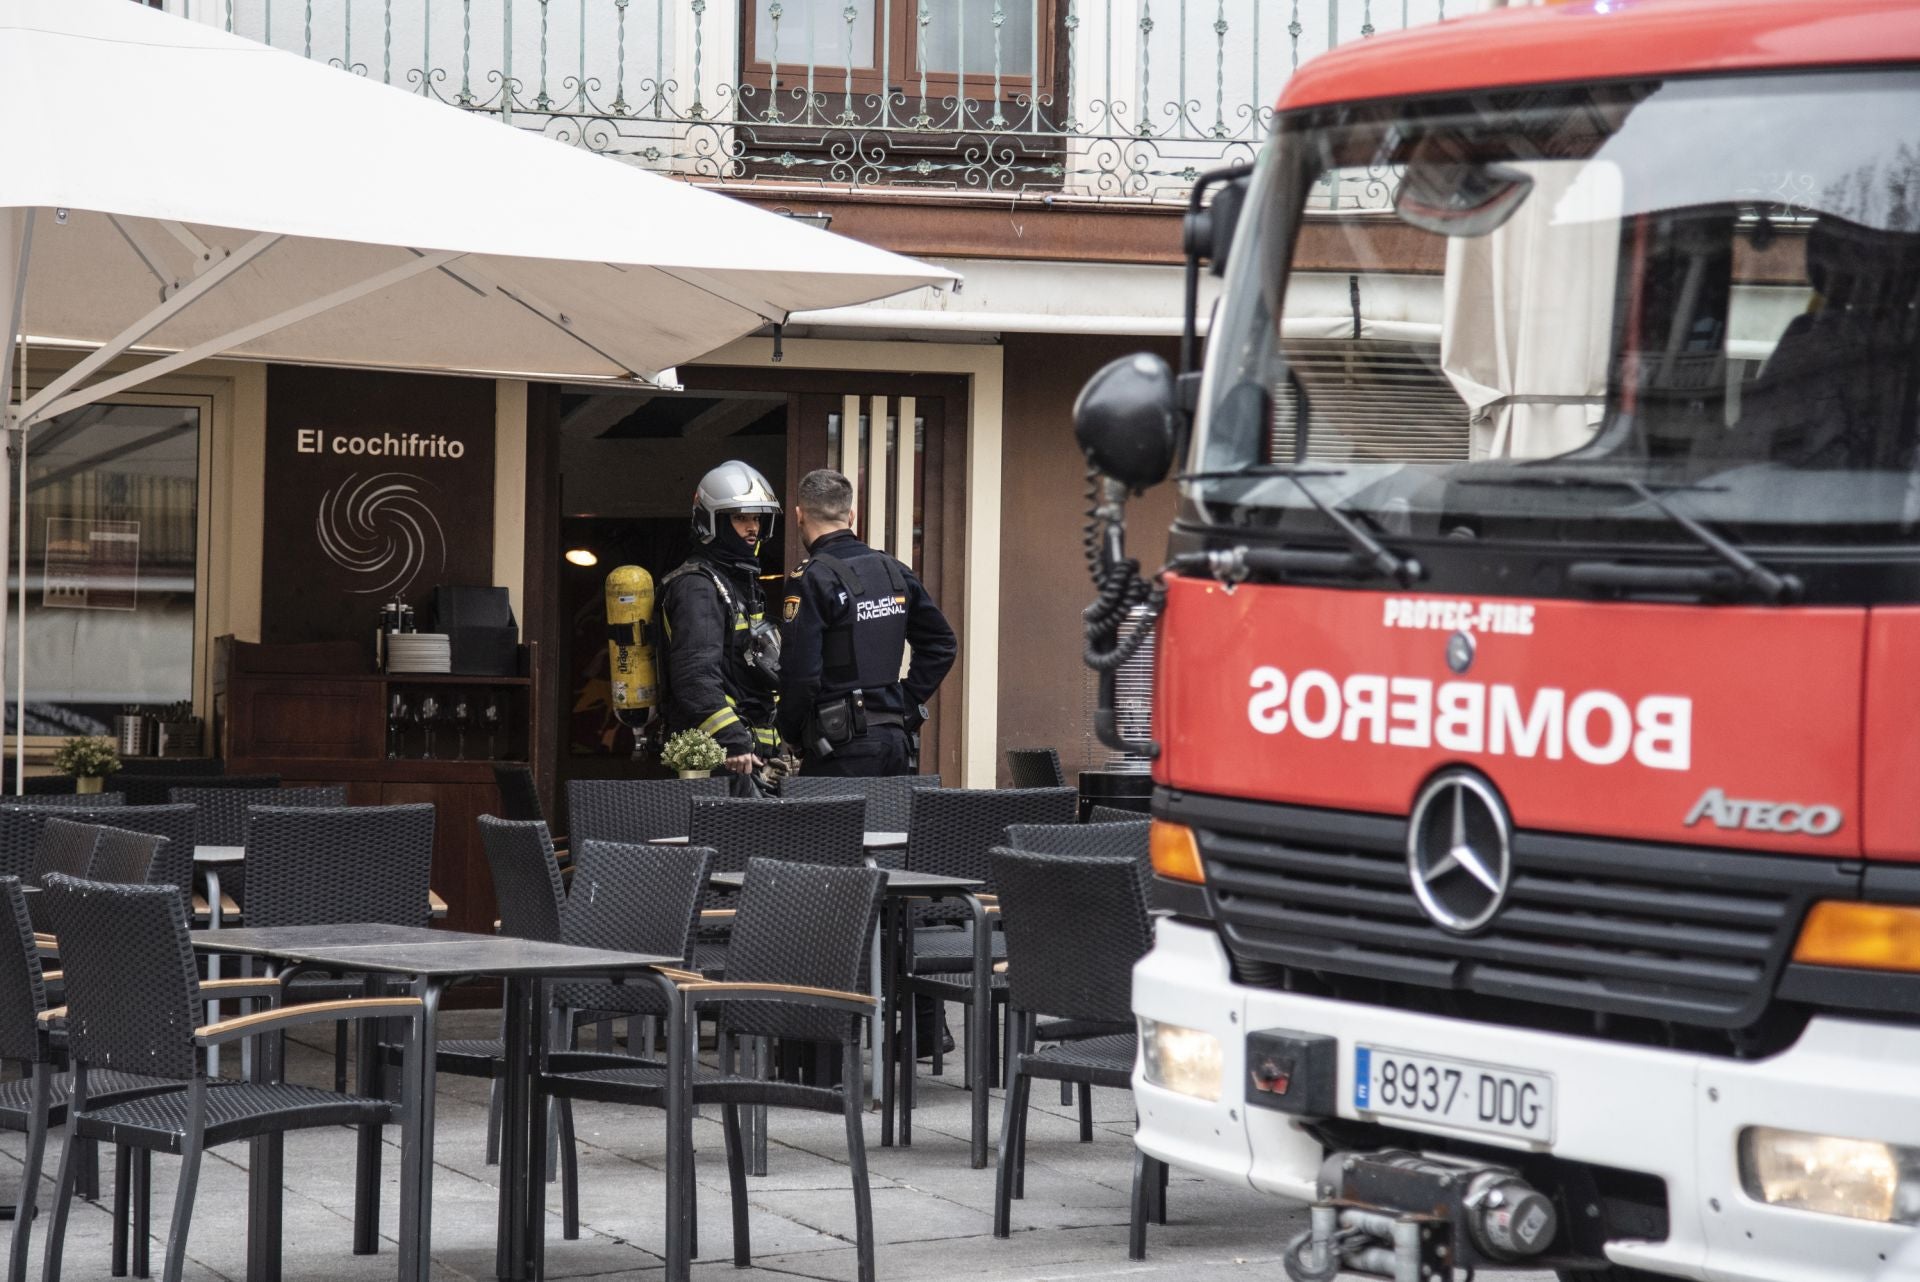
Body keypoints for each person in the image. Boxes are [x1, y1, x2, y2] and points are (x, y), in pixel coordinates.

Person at [777, 468, 956, 777]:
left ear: (799, 515)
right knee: (888, 826)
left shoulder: (812, 578)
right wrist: (906, 700)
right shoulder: (893, 570)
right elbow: (942, 644)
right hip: (895, 743)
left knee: (831, 828)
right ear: (852, 515)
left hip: (839, 747)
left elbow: (802, 674)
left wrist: (790, 732)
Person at [658, 461, 784, 792]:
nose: (752, 527)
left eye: (756, 518)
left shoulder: (742, 584)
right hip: (718, 761)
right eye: (740, 517)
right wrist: (732, 739)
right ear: (712, 522)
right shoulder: (697, 587)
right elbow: (694, 678)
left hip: (752, 759)